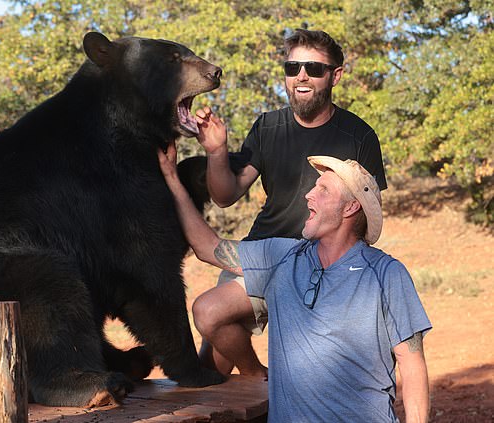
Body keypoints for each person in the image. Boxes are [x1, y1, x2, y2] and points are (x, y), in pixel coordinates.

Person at [157, 147, 431, 422]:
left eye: (323, 190)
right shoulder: (283, 257)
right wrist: (171, 177)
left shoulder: (386, 274)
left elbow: (412, 366)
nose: (309, 194)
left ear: (350, 207)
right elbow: (208, 248)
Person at [192, 28, 388, 376]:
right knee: (212, 364)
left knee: (317, 374)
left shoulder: (359, 136)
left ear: (335, 76)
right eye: (293, 67)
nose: (301, 76)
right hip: (261, 254)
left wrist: (335, 272)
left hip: (320, 266)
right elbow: (225, 195)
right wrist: (217, 151)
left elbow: (365, 217)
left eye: (314, 68)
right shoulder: (267, 127)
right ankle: (257, 377)